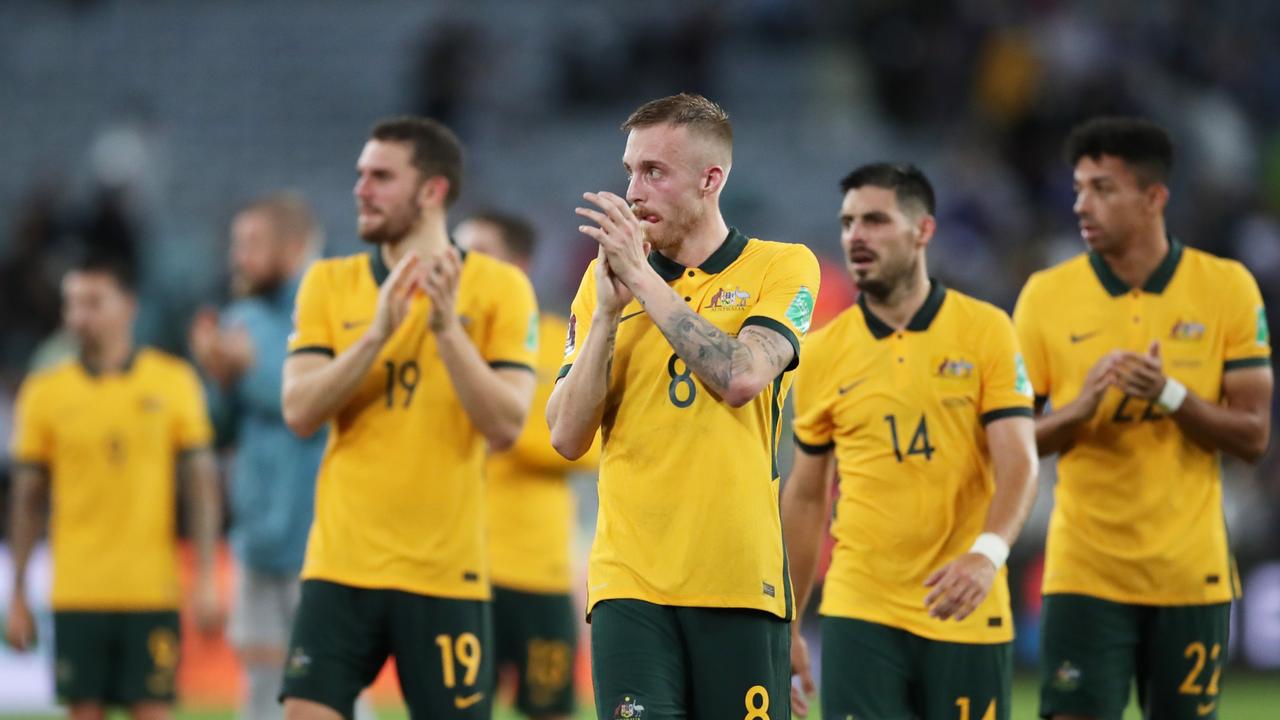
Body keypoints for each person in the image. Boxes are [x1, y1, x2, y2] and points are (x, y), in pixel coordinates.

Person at [547, 92, 821, 720]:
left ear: (710, 179)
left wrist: (644, 282)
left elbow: (742, 375)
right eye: (629, 171)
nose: (633, 191)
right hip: (629, 584)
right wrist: (609, 315)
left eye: (654, 172)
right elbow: (565, 436)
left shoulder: (782, 267)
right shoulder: (603, 287)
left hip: (739, 581)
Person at [278, 116, 539, 720]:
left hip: (444, 572)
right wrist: (374, 337)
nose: (361, 189)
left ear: (432, 191)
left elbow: (505, 425)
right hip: (341, 564)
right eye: (360, 175)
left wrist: (447, 330)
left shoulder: (500, 289)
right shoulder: (329, 281)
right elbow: (299, 411)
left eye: (381, 177)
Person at [1013, 117, 1273, 720]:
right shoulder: (1045, 296)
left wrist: (1171, 396)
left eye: (1103, 188)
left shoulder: (1227, 288)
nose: (1082, 204)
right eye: (1078, 188)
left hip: (1190, 575)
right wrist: (1078, 412)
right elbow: (1006, 440)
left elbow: (1254, 436)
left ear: (1154, 198)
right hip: (1084, 573)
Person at [782, 163, 1039, 720]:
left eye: (875, 220)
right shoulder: (822, 353)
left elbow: (1020, 459)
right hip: (860, 609)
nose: (856, 236)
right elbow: (805, 495)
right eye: (848, 222)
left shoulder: (985, 329)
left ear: (923, 231)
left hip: (965, 602)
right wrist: (791, 623)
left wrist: (986, 556)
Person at [6, 254, 223, 720]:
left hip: (152, 589)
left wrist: (205, 575)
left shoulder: (173, 382)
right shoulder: (44, 391)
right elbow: (27, 499)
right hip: (77, 590)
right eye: (71, 304)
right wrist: (19, 591)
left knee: (153, 713)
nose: (78, 316)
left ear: (129, 306)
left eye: (92, 302)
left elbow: (201, 487)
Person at [188, 193, 336, 720]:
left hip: (322, 543)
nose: (238, 257)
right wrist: (218, 376)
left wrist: (245, 371)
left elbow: (312, 404)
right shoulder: (241, 317)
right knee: (258, 691)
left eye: (251, 243)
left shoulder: (333, 309)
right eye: (236, 243)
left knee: (330, 690)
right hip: (256, 540)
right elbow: (218, 428)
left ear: (293, 246)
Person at [456, 210, 600, 720]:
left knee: (550, 708)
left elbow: (588, 442)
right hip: (457, 569)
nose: (465, 269)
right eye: (460, 255)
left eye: (481, 256)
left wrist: (510, 428)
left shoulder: (562, 340)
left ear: (519, 265)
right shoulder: (440, 344)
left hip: (538, 569)